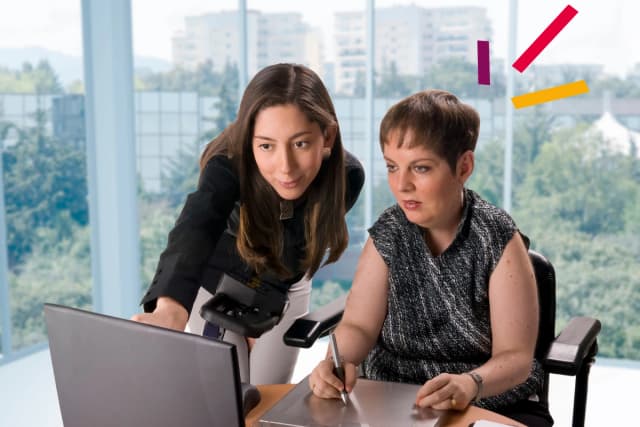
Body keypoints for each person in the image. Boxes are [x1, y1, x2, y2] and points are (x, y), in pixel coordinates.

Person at [308, 89, 553, 426]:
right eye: (393, 167)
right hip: (391, 398)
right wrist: (334, 364)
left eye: (420, 168)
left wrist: (471, 383)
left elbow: (516, 358)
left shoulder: (496, 237)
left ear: (463, 166)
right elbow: (358, 326)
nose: (402, 185)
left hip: (488, 401)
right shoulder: (389, 233)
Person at [132, 63, 365, 385]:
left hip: (285, 285)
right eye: (266, 145)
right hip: (216, 285)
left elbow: (297, 246)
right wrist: (170, 309)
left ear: (327, 136)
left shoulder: (347, 177)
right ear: (248, 141)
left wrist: (263, 311)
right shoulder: (225, 166)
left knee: (268, 393)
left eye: (300, 144)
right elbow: (196, 227)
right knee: (230, 395)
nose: (286, 167)